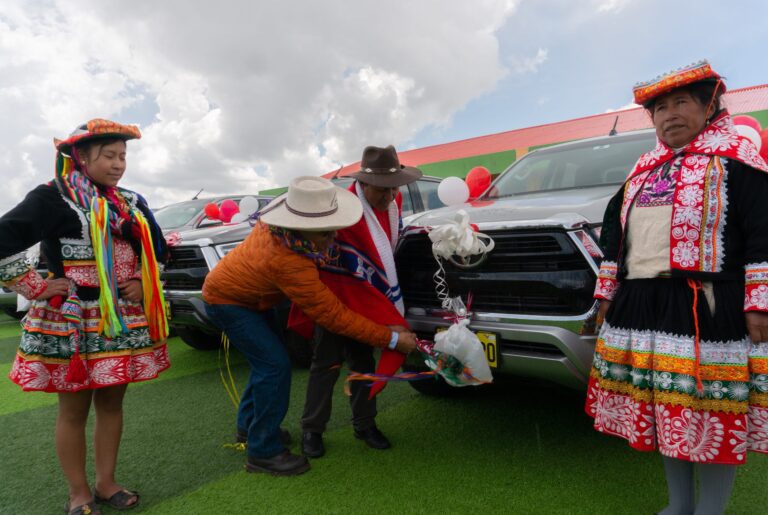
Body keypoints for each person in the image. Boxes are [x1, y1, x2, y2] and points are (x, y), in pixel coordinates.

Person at [585, 61, 768, 515]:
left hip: (708, 307)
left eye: (681, 102)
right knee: (667, 410)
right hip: (643, 306)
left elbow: (764, 233)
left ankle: (710, 508)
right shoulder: (643, 170)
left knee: (708, 413)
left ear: (710, 104)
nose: (668, 115)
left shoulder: (737, 162)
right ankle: (679, 503)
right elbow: (615, 239)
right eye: (659, 108)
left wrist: (759, 301)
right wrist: (606, 295)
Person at [0, 119, 170, 515]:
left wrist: (144, 281)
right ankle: (78, 492)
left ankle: (107, 482)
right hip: (74, 320)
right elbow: (3, 236)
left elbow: (158, 250)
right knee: (73, 410)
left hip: (119, 320)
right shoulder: (52, 197)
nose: (118, 164)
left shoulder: (129, 201)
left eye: (123, 156)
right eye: (109, 156)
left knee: (113, 402)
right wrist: (36, 286)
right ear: (81, 157)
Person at [202, 176, 418, 476]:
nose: (332, 241)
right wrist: (391, 339)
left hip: (252, 297)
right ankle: (262, 452)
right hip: (228, 302)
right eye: (324, 234)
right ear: (298, 227)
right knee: (275, 367)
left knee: (265, 365)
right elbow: (333, 316)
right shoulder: (289, 261)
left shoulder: (285, 227)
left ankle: (249, 429)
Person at [300, 145, 422, 458]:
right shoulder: (341, 208)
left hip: (367, 300)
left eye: (393, 187)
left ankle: (365, 424)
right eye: (382, 188)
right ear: (363, 184)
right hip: (332, 299)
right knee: (325, 366)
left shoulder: (394, 205)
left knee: (363, 363)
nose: (389, 194)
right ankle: (312, 431)